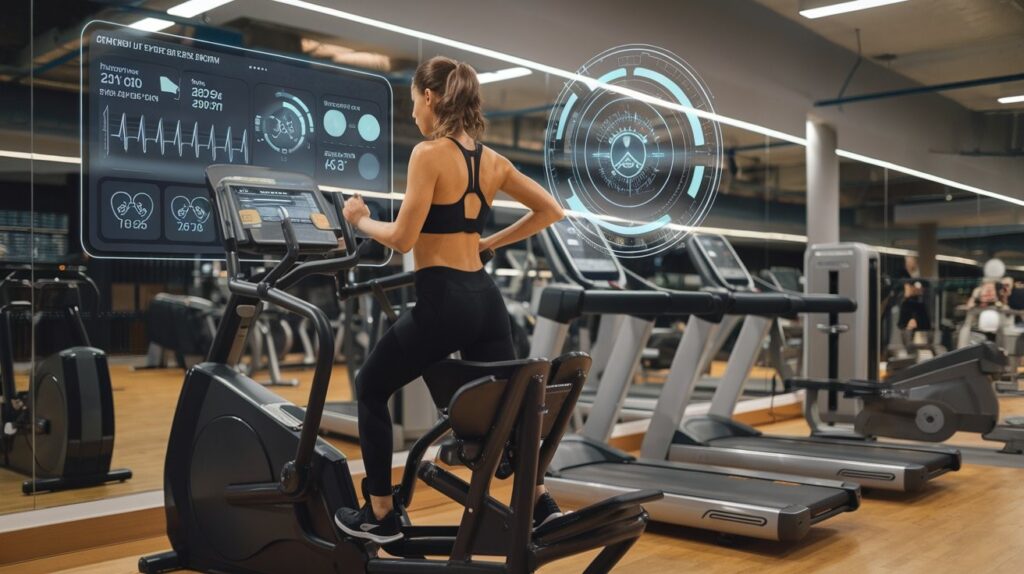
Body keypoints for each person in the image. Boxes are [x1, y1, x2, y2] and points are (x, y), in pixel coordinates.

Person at [334, 56, 565, 543]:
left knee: (372, 385)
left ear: (431, 97)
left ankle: (379, 515)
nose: (414, 111)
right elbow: (552, 210)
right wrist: (488, 244)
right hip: (485, 301)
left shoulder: (428, 154)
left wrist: (357, 218)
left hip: (443, 301)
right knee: (511, 408)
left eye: (415, 100)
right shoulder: (491, 161)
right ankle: (540, 502)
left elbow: (400, 237)